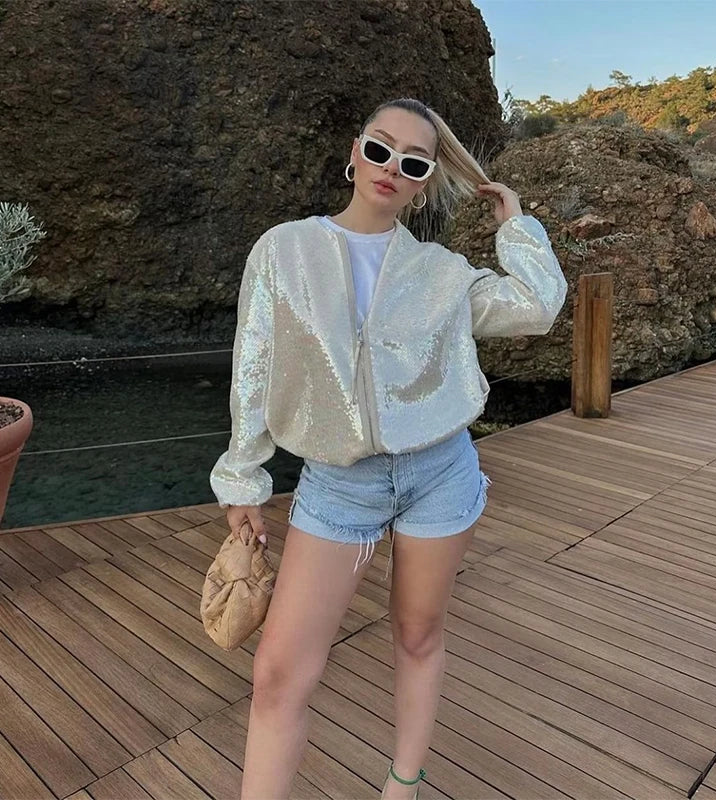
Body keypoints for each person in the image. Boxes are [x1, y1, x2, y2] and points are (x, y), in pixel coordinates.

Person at [209, 97, 568, 800]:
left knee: (418, 634)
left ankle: (403, 784)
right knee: (278, 672)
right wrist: (243, 477)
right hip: (338, 485)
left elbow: (537, 306)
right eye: (380, 148)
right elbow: (253, 363)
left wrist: (516, 224)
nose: (391, 167)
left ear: (424, 182)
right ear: (355, 152)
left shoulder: (442, 272)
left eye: (413, 162)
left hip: (440, 473)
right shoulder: (284, 250)